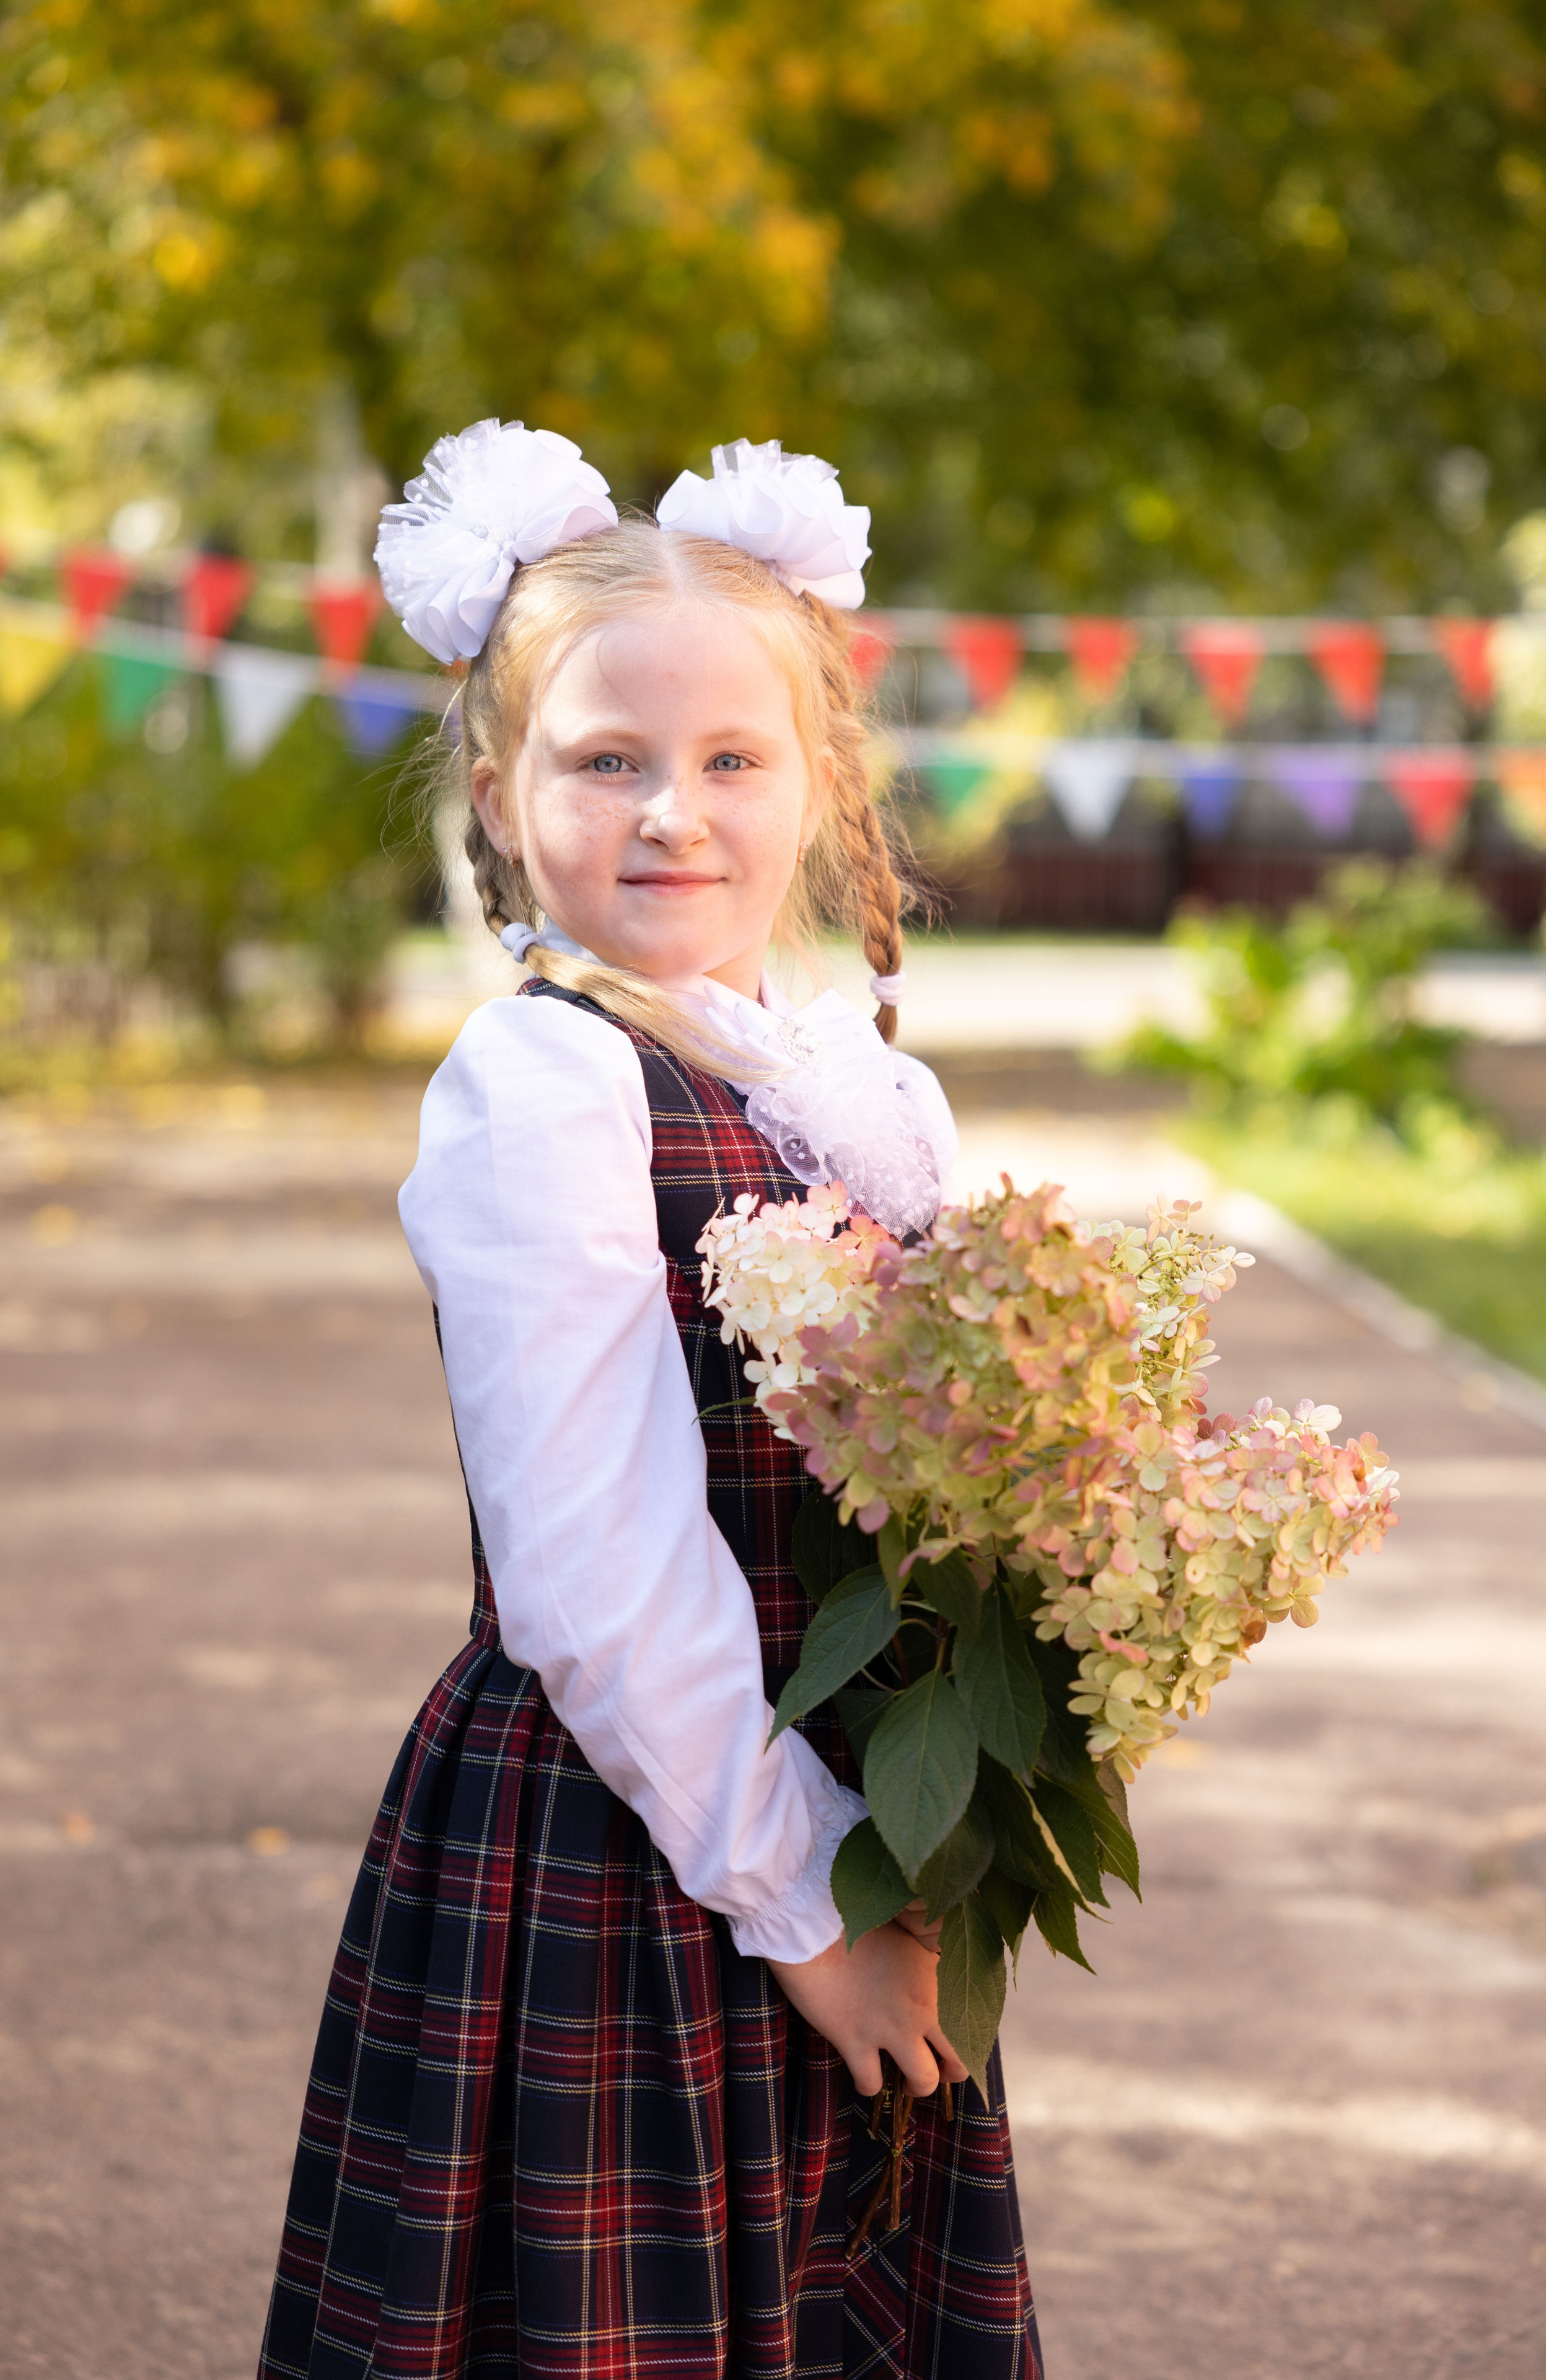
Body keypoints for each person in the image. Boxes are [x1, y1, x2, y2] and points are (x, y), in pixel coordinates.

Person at [258, 423, 1043, 2379]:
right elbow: (596, 1568)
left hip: (859, 1814)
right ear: (503, 797)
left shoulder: (861, 1095)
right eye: (606, 760)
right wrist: (802, 1903)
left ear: (818, 779)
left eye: (731, 762)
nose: (672, 814)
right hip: (635, 1839)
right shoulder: (543, 1086)